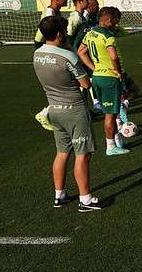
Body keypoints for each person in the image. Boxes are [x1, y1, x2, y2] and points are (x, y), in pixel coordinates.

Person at [33, 16, 106, 212]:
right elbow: (85, 84)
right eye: (64, 32)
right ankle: (86, 199)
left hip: (53, 109)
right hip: (74, 110)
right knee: (82, 155)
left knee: (62, 152)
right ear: (59, 34)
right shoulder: (68, 56)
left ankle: (59, 194)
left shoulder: (37, 54)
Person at [78, 7, 133, 156]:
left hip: (97, 77)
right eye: (115, 22)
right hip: (109, 78)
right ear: (108, 20)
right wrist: (118, 72)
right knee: (110, 114)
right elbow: (114, 57)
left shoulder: (91, 33)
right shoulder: (108, 36)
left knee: (113, 111)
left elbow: (81, 52)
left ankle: (116, 140)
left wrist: (94, 67)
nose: (116, 25)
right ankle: (111, 146)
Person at [34, 0, 68, 131]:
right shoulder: (50, 13)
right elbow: (47, 34)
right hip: (45, 48)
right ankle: (45, 113)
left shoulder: (56, 12)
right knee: (60, 86)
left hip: (50, 48)